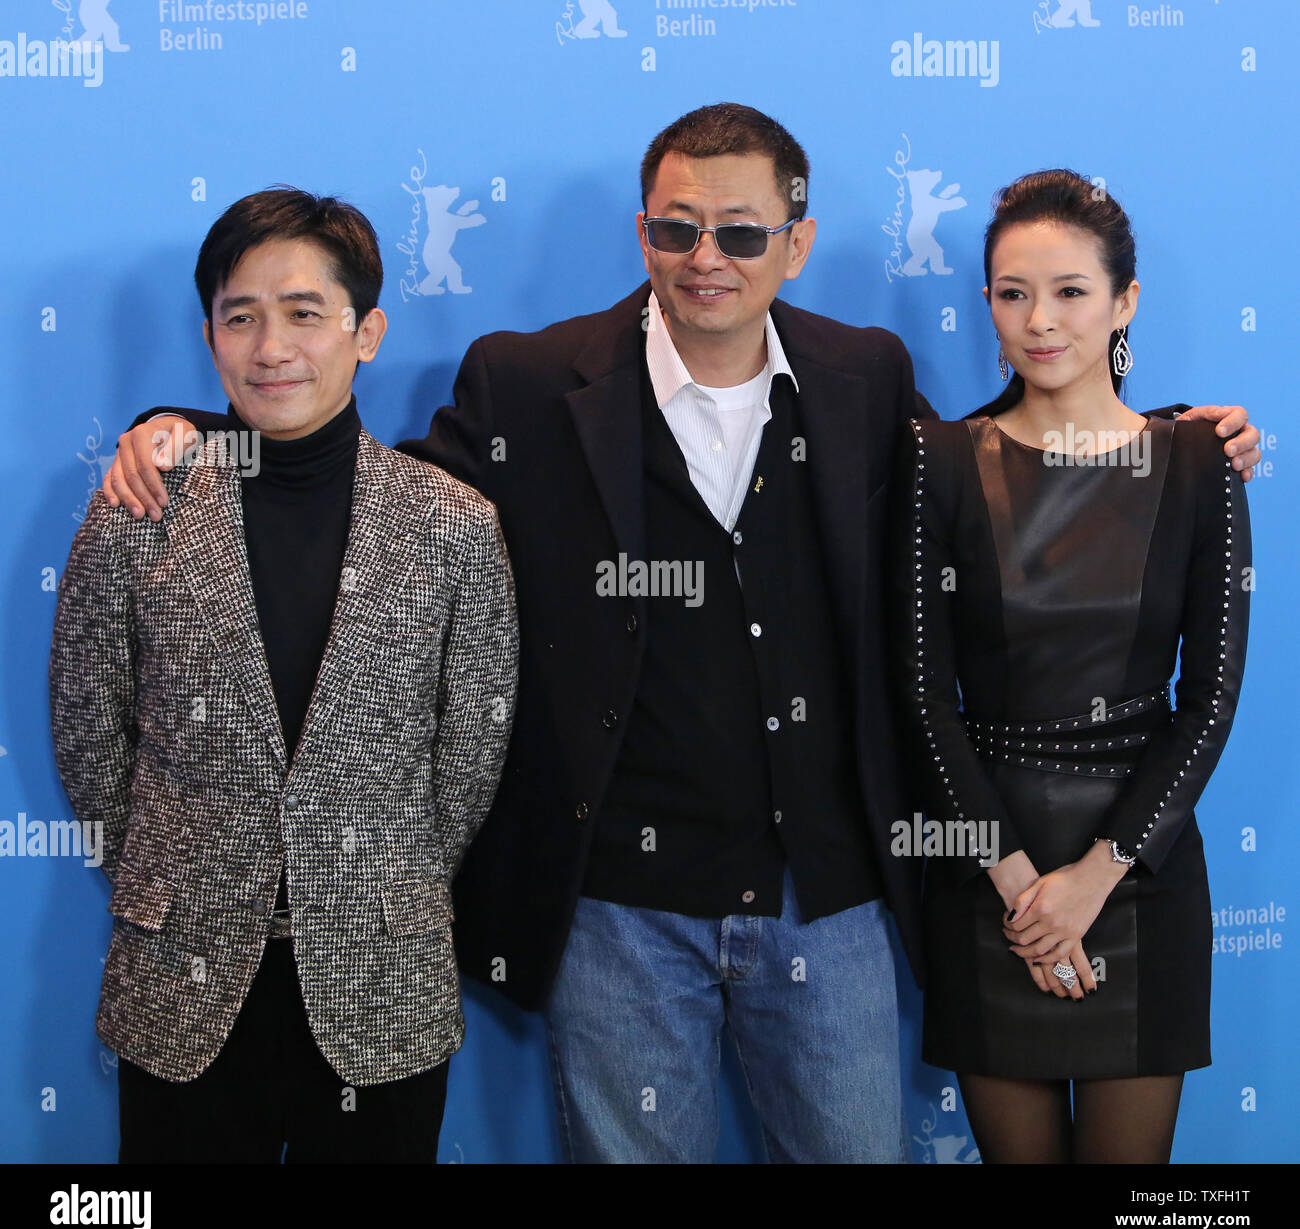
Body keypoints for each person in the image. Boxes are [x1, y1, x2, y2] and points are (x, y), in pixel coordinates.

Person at [100, 107, 1261, 1164]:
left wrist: (1161, 440)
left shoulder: (863, 375)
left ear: (795, 246)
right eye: (677, 227)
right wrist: (202, 429)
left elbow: (994, 469)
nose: (707, 257)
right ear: (643, 232)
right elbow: (375, 488)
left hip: (831, 898)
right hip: (616, 911)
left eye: (742, 234)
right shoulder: (528, 380)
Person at [49, 188, 518, 1163]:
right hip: (182, 975)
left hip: (381, 980)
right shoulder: (140, 508)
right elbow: (87, 726)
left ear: (367, 330)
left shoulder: (453, 526)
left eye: (304, 313)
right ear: (210, 332)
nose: (272, 348)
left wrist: (379, 875)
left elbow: (469, 754)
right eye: (241, 315)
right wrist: (171, 869)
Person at [890, 169, 1250, 1163]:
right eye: (1011, 293)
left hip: (1142, 869)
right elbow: (922, 701)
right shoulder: (938, 461)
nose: (1037, 320)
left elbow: (1209, 697)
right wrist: (1022, 894)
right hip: (987, 874)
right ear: (987, 305)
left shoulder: (1200, 461)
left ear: (1124, 302)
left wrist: (1092, 880)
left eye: (1069, 292)